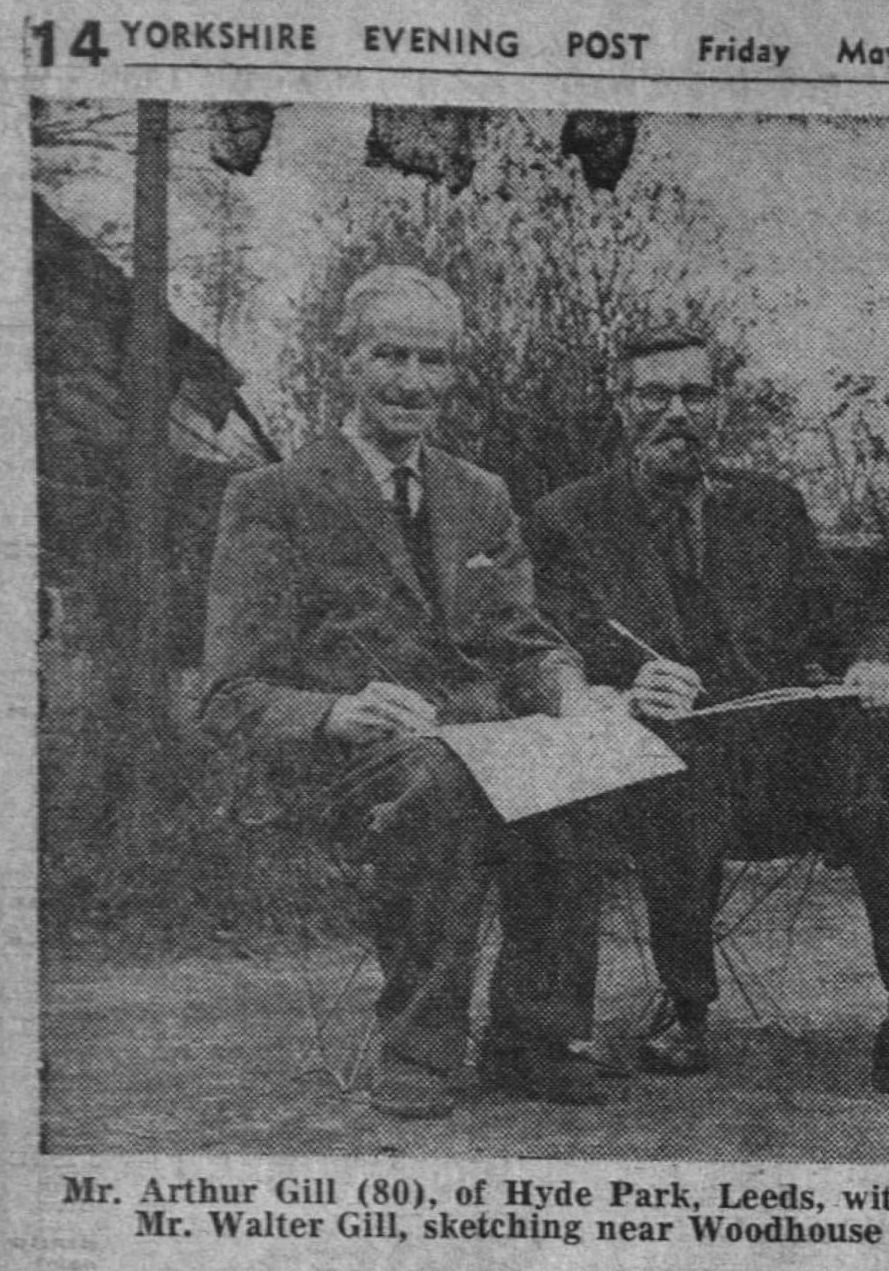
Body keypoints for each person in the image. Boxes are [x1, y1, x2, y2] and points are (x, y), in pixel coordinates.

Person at [526, 325, 889, 1113]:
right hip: (655, 770)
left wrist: (871, 661)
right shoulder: (568, 518)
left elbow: (848, 616)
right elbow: (548, 643)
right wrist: (623, 685)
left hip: (784, 772)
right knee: (674, 749)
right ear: (621, 406)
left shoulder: (769, 506)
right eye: (654, 394)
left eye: (694, 394)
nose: (675, 413)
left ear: (719, 407)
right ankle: (684, 1000)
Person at [201, 266, 612, 1119]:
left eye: (434, 360)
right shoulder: (272, 498)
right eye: (391, 355)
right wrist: (332, 711)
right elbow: (231, 693)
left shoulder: (481, 495)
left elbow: (522, 640)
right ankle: (420, 1048)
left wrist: (570, 692)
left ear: (455, 373)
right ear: (343, 361)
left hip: (472, 744)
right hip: (343, 766)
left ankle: (532, 1037)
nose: (413, 382)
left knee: (572, 773)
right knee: (441, 783)